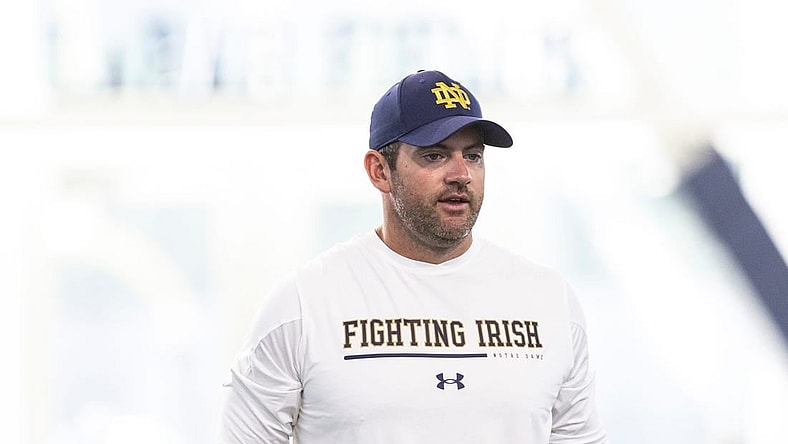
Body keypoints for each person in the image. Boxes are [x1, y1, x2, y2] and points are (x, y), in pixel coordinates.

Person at [218, 69, 609, 443]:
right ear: (379, 171)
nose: (461, 174)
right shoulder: (304, 304)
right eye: (435, 156)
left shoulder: (547, 300)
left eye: (473, 155)